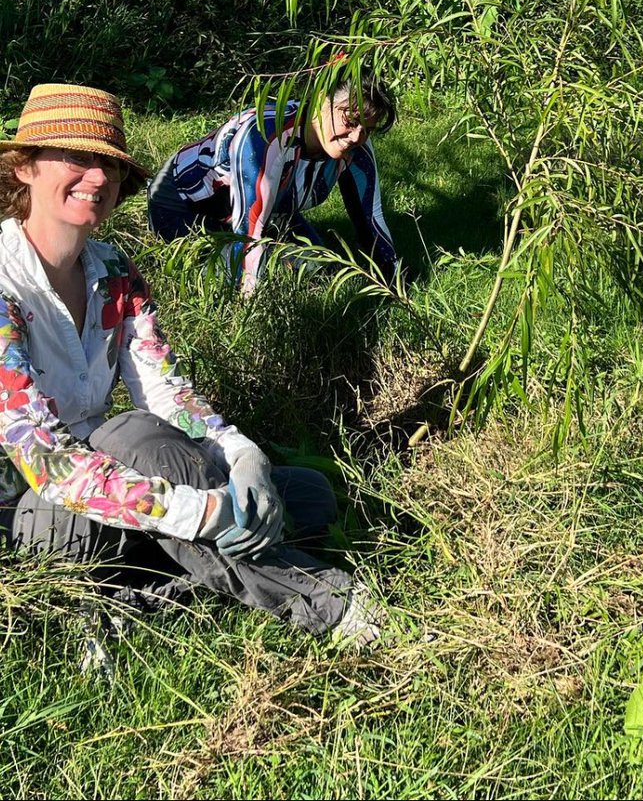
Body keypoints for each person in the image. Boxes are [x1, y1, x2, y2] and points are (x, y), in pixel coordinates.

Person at [0, 84, 380, 644]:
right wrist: (202, 512)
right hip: (32, 517)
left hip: (115, 492)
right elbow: (49, 462)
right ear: (26, 168)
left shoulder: (113, 271)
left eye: (108, 164)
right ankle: (328, 601)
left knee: (303, 494)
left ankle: (141, 589)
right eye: (77, 158)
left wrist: (243, 456)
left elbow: (165, 391)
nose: (98, 179)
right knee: (133, 434)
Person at [147, 73, 398, 297]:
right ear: (322, 99)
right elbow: (247, 235)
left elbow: (371, 217)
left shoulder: (357, 147)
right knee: (272, 277)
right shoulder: (267, 137)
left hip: (270, 212)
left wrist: (394, 285)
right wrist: (248, 309)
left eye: (367, 129)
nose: (356, 137)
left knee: (318, 269)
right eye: (350, 121)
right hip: (186, 207)